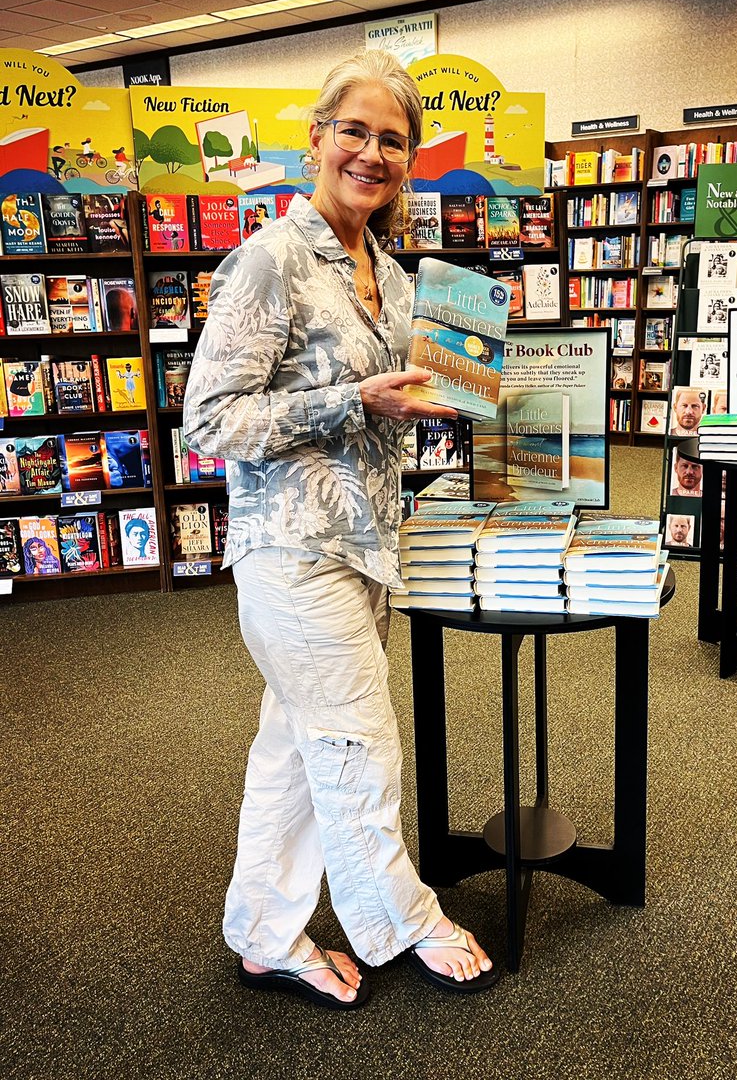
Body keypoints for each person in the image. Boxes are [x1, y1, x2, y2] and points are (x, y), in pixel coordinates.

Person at [182, 50, 498, 1011]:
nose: (371, 153)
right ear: (317, 137)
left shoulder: (393, 275)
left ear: (410, 160)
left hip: (365, 545)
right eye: (353, 132)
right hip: (292, 552)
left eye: (392, 140)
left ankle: (263, 933)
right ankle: (405, 920)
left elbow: (398, 398)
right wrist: (346, 402)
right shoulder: (271, 260)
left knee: (297, 747)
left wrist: (446, 400)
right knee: (361, 743)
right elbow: (208, 419)